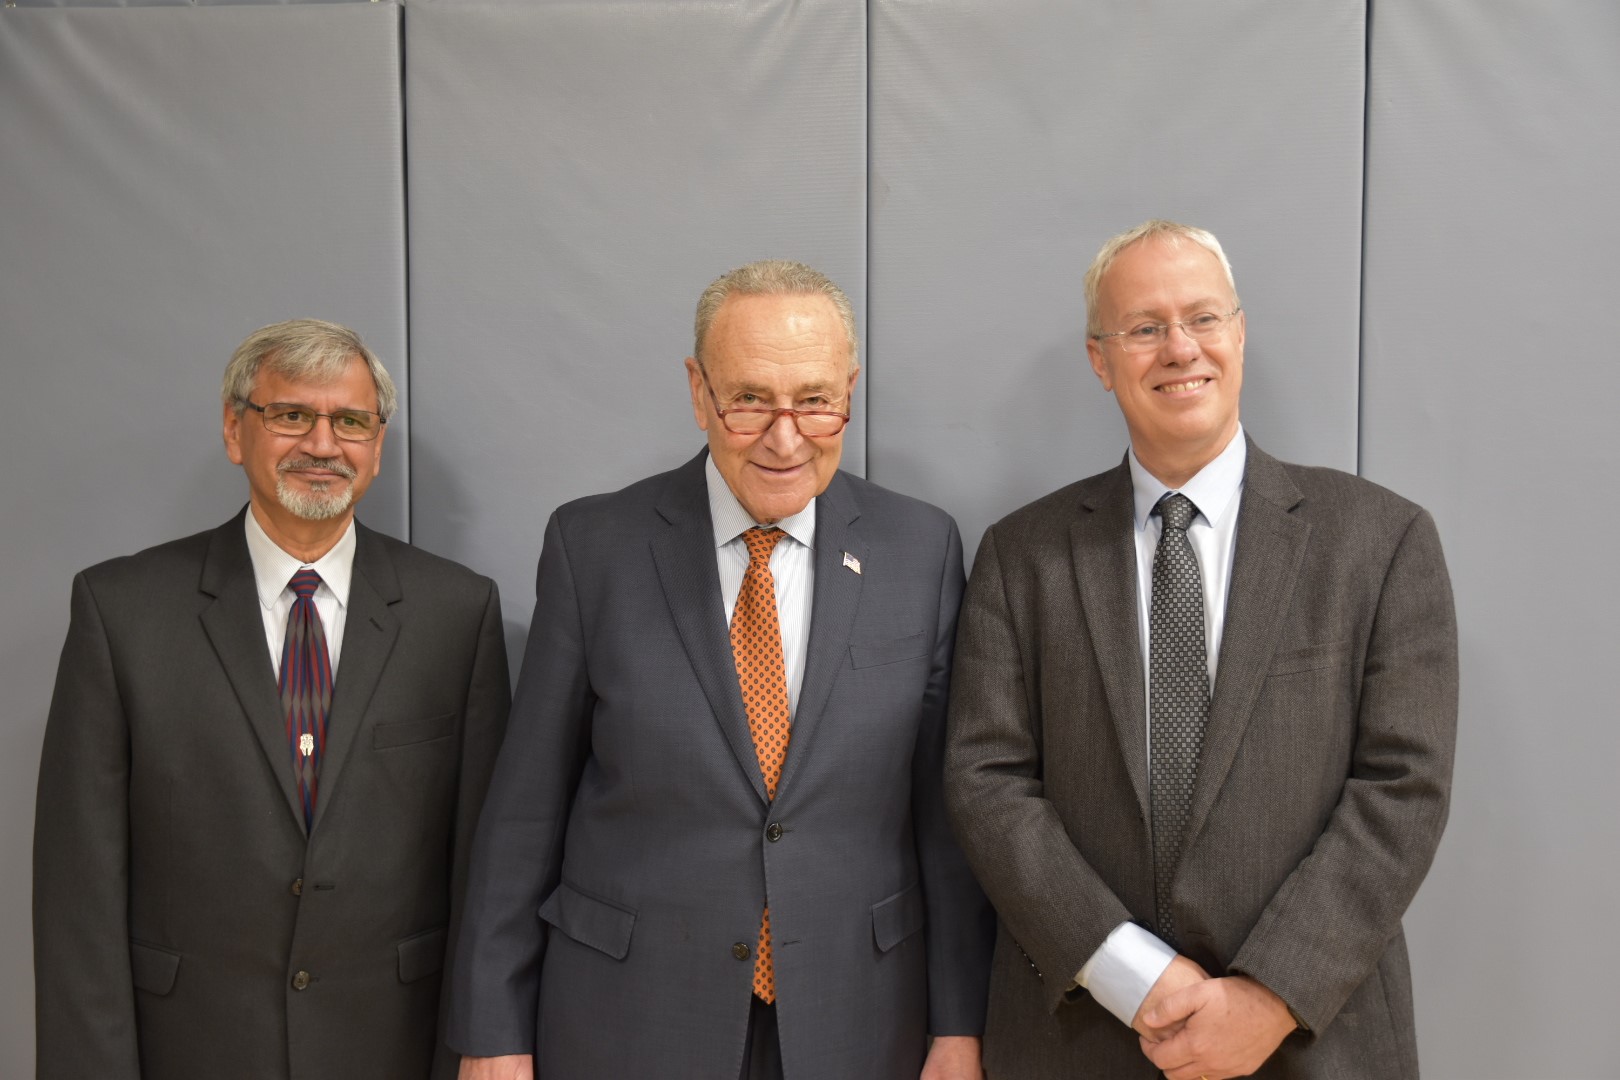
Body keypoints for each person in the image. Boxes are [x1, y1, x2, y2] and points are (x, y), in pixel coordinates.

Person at [448, 260, 994, 1079]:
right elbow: (525, 812)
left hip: (858, 1017)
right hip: (632, 1018)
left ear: (848, 389)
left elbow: (943, 820)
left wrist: (959, 1025)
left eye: (814, 400)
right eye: (749, 401)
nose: (785, 437)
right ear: (699, 391)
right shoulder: (593, 546)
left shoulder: (920, 549)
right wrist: (492, 1034)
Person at [944, 221, 1458, 1079]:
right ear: (1100, 360)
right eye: (1144, 327)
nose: (1180, 348)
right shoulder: (1021, 555)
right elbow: (985, 780)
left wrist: (1266, 996)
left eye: (1203, 319)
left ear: (1240, 333)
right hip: (1084, 1040)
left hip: (1311, 1039)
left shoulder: (1382, 542)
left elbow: (1403, 790)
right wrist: (1133, 977)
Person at [33, 319, 511, 1080]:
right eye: (291, 415)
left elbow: (486, 875)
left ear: (377, 446)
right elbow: (77, 899)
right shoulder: (120, 611)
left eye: (350, 421)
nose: (323, 444)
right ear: (234, 429)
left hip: (390, 1047)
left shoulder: (457, 613)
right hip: (191, 1050)